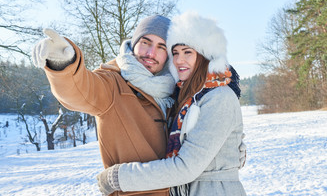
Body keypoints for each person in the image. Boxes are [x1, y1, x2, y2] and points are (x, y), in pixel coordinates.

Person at [97, 11, 247, 196]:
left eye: (188, 53)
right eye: (175, 53)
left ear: (204, 56)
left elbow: (185, 167)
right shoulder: (185, 99)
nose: (178, 60)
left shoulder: (219, 97)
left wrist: (119, 177)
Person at [32, 15, 176, 196]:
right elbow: (80, 91)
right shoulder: (112, 83)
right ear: (134, 43)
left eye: (161, 47)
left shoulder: (176, 89)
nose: (151, 53)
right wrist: (64, 65)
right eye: (146, 42)